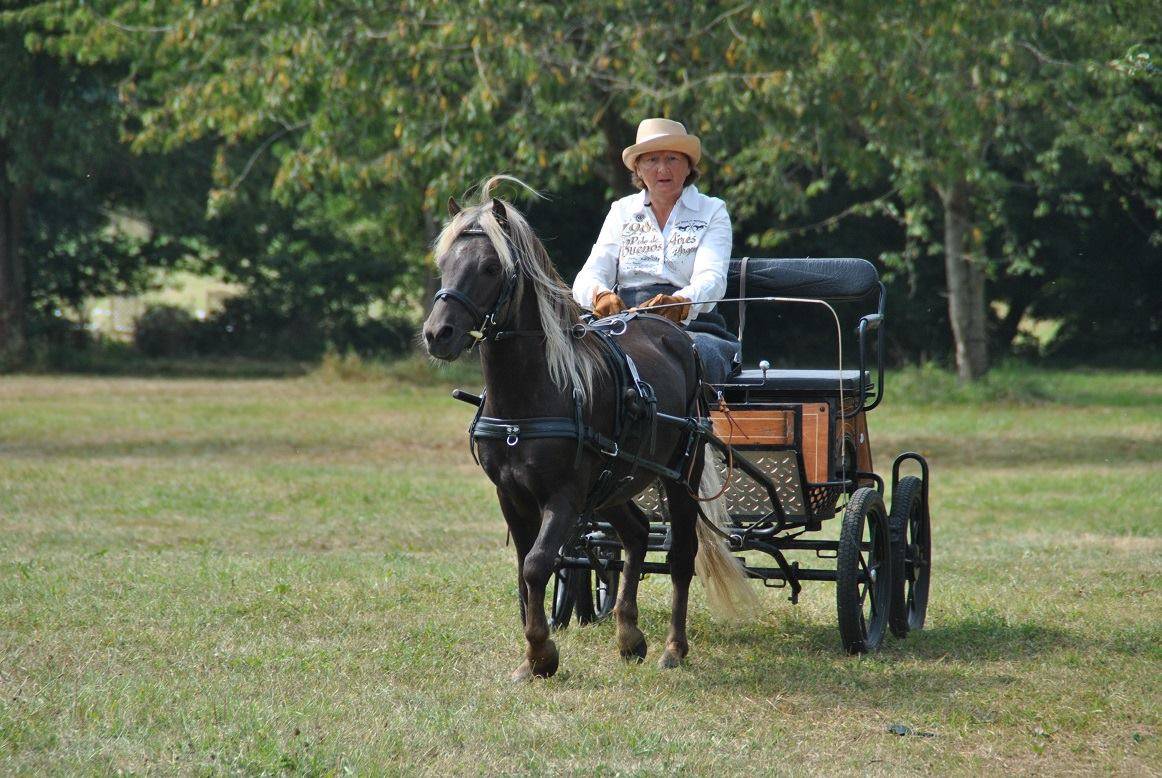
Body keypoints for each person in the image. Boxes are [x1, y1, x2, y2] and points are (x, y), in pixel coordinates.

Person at [572, 117, 740, 383]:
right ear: (638, 169)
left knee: (696, 357)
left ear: (688, 167)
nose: (663, 168)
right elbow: (589, 274)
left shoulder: (712, 211)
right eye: (652, 160)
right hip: (624, 322)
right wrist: (601, 295)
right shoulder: (621, 212)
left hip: (694, 327)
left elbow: (713, 278)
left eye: (672, 158)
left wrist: (680, 303)